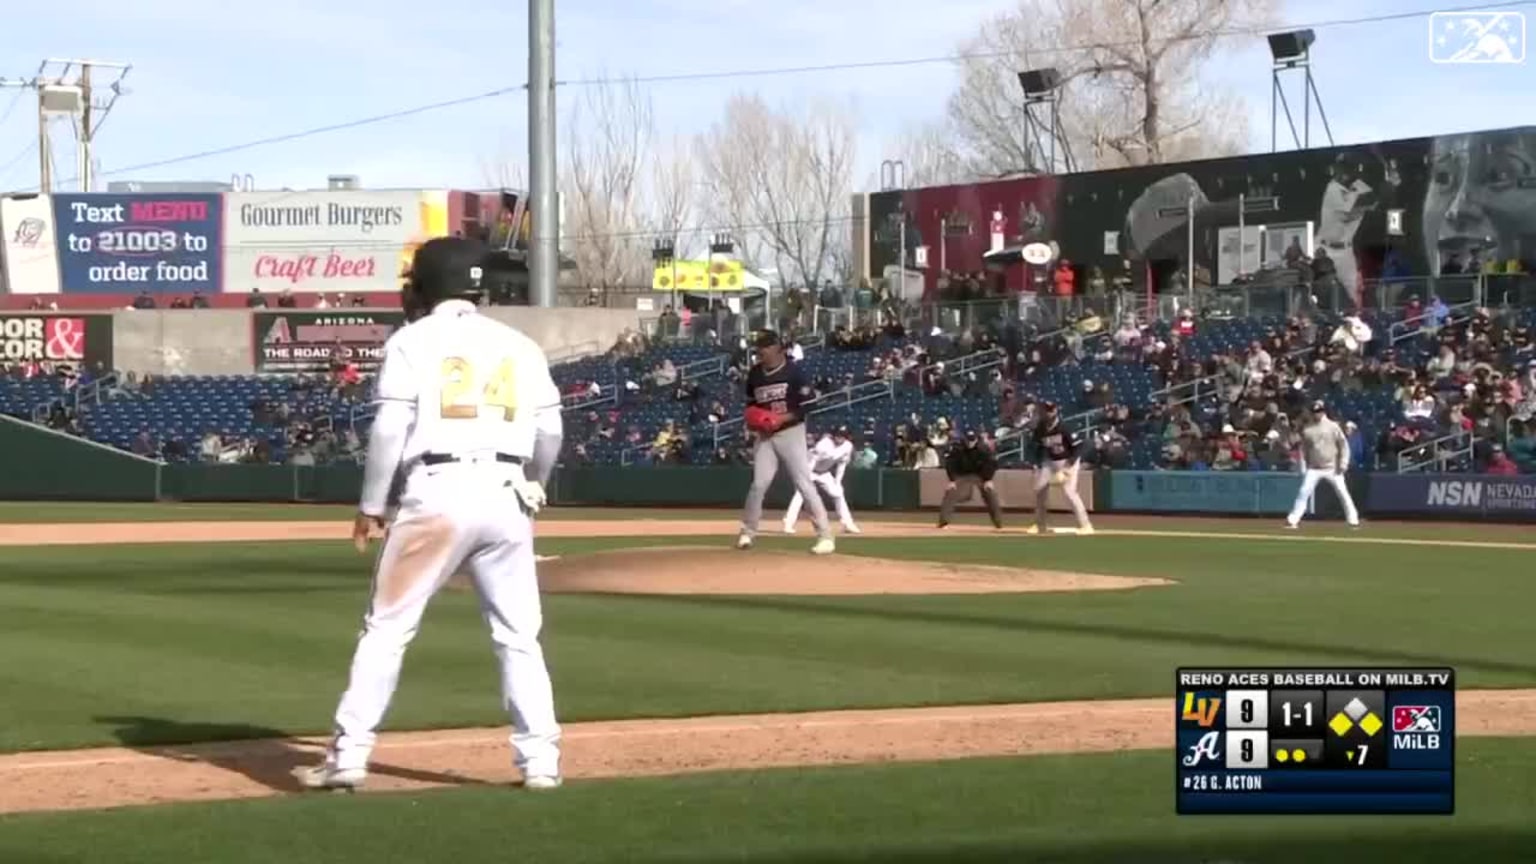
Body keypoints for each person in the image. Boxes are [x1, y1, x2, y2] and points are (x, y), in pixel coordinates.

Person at [303, 237, 564, 792]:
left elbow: (391, 428)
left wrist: (371, 505)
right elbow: (551, 431)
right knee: (519, 636)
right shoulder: (518, 343)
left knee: (387, 630)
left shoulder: (411, 341)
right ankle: (540, 762)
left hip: (439, 491)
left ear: (425, 286)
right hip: (508, 493)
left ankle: (349, 755)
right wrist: (534, 484)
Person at [737, 330, 835, 554]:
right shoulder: (755, 374)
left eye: (765, 346)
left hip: (791, 432)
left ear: (777, 348)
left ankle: (825, 535)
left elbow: (808, 406)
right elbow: (751, 405)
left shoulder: (794, 372)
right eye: (758, 347)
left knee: (803, 483)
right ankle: (747, 532)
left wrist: (781, 418)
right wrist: (755, 421)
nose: (761, 351)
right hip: (765, 435)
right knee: (759, 484)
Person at [1285, 400, 1362, 531]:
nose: (1317, 414)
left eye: (1319, 411)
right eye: (1315, 412)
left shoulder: (1333, 426)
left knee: (1343, 493)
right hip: (1314, 468)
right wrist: (1303, 465)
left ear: (1324, 412)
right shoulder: (1308, 429)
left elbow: (1343, 446)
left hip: (1333, 467)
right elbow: (1304, 449)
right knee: (1304, 492)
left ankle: (1353, 520)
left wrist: (1343, 462)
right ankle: (1293, 519)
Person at [1027, 402, 1094, 536]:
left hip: (1067, 461)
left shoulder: (1065, 427)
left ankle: (1086, 525)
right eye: (1047, 410)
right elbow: (1036, 446)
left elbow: (1080, 447)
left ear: (1056, 411)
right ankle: (1040, 525)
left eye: (1051, 410)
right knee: (1040, 491)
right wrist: (1036, 463)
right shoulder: (1041, 427)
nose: (1049, 413)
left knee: (1070, 492)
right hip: (1049, 461)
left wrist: (1068, 466)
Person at [783, 425, 860, 535]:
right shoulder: (824, 444)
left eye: (843, 436)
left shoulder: (847, 446)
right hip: (808, 470)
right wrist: (806, 478)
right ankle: (788, 524)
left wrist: (838, 482)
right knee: (800, 495)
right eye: (838, 435)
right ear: (833, 435)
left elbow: (841, 465)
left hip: (824, 473)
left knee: (838, 493)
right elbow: (812, 462)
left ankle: (848, 524)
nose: (840, 438)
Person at [937, 429, 1004, 529]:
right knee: (951, 492)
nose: (970, 442)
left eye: (972, 440)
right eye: (968, 440)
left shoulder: (983, 449)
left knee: (990, 493)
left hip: (980, 475)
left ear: (976, 439)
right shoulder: (958, 449)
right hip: (962, 475)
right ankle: (943, 522)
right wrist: (951, 480)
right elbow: (950, 464)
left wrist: (988, 479)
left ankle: (998, 523)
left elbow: (991, 464)